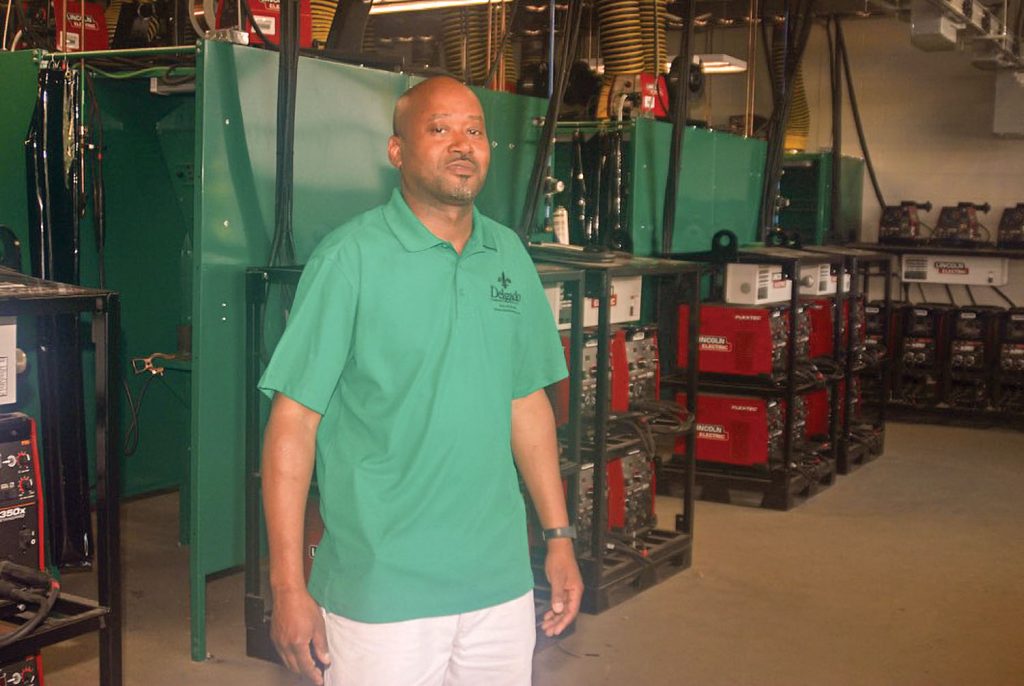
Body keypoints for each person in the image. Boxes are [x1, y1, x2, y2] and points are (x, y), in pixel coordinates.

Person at [258, 75, 583, 686]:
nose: (462, 144)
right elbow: (293, 423)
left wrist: (558, 536)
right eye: (439, 129)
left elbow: (527, 403)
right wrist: (287, 586)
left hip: (499, 584)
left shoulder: (508, 254)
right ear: (397, 150)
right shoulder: (348, 260)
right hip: (380, 593)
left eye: (474, 130)